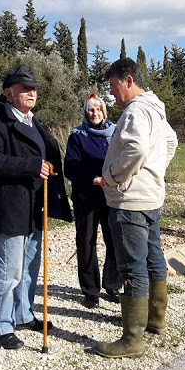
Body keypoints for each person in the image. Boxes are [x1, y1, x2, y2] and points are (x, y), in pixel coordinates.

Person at [0, 65, 72, 350]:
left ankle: (22, 314)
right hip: (10, 207)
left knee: (30, 268)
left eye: (33, 88)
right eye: (24, 88)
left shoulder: (33, 121)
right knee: (9, 271)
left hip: (35, 206)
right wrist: (31, 166)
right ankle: (0, 328)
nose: (31, 92)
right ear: (9, 93)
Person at [95, 57, 178, 358]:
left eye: (114, 87)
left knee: (132, 266)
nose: (112, 94)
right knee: (154, 258)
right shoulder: (156, 107)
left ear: (128, 81)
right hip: (150, 197)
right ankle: (155, 320)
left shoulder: (135, 110)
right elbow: (171, 141)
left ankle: (132, 339)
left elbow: (136, 149)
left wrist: (113, 177)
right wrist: (155, 171)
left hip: (130, 200)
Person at [64, 94, 122, 309]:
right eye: (90, 110)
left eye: (98, 109)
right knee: (86, 243)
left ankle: (113, 284)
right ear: (85, 112)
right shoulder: (77, 135)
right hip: (86, 197)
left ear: (104, 111)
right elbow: (70, 167)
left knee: (114, 240)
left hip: (111, 196)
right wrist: (93, 179)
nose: (95, 113)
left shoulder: (115, 133)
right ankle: (90, 291)